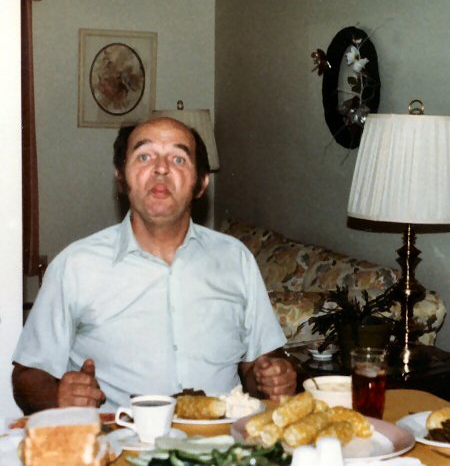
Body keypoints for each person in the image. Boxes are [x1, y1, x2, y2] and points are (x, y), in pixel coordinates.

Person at [11, 117, 296, 413]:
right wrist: (58, 396)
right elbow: (27, 376)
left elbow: (259, 366)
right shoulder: (76, 265)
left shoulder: (236, 259)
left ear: (201, 183)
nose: (161, 168)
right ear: (121, 178)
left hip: (221, 437)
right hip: (118, 438)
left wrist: (272, 377)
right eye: (144, 156)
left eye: (178, 158)